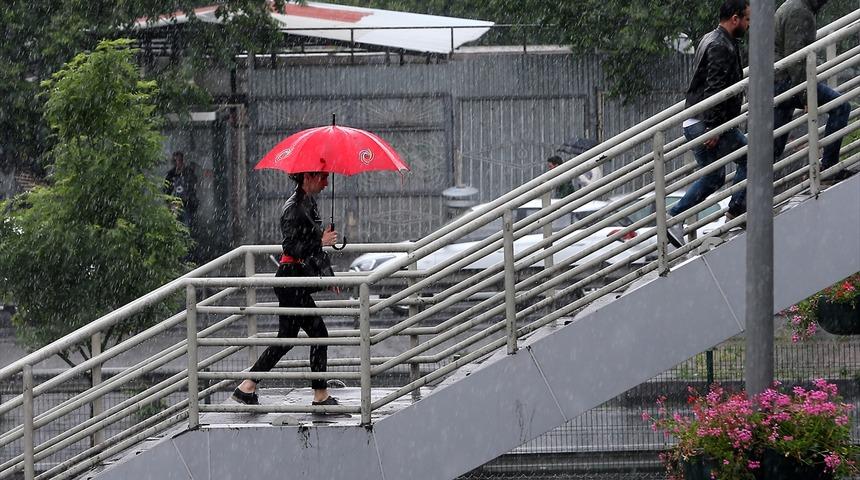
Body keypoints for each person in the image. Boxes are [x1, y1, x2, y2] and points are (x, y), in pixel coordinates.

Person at [232, 171, 340, 406]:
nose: (326, 183)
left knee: (287, 338)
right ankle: (320, 394)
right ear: (308, 177)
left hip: (293, 280)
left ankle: (247, 386)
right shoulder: (294, 207)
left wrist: (327, 272)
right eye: (322, 177)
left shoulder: (307, 203)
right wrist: (320, 241)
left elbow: (311, 247)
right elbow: (290, 246)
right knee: (318, 334)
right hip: (291, 280)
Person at [667, 0, 751, 248]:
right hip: (707, 123)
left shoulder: (711, 38)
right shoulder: (720, 45)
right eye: (747, 19)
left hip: (700, 121)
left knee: (714, 177)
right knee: (752, 156)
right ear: (734, 19)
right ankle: (735, 211)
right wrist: (713, 127)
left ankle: (675, 218)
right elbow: (714, 88)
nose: (748, 25)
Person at [773, 0, 851, 180]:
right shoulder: (800, 12)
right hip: (787, 82)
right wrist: (806, 95)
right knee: (841, 107)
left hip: (777, 81)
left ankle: (739, 200)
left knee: (772, 148)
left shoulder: (795, 6)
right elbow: (797, 59)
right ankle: (828, 167)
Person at [164, 151, 198, 228]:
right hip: (174, 205)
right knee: (174, 226)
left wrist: (189, 198)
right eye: (175, 161)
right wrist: (169, 202)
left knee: (186, 225)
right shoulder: (171, 174)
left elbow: (193, 186)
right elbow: (166, 189)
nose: (178, 163)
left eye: (179, 160)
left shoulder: (188, 172)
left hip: (186, 204)